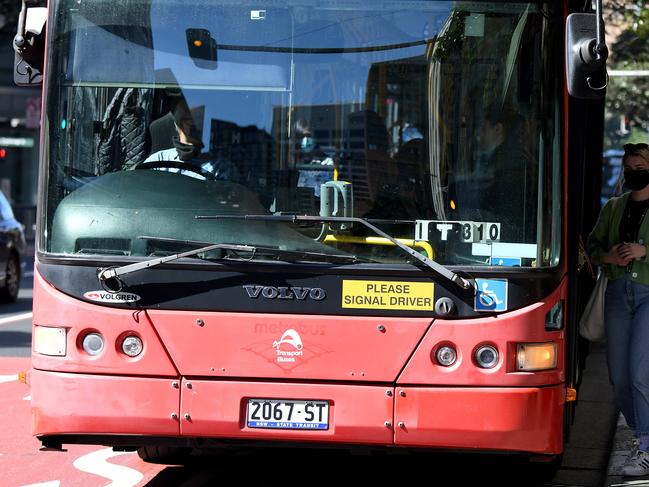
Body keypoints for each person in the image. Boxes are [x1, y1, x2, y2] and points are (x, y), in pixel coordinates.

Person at [587, 142, 649, 477]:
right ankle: (645, 434)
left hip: (648, 295)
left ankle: (647, 445)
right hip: (616, 294)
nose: (633, 173)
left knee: (640, 374)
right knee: (619, 377)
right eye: (629, 168)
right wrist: (609, 256)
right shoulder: (614, 207)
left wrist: (644, 251)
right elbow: (592, 247)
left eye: (640, 167)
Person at [143, 99, 241, 181]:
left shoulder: (220, 167)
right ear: (178, 124)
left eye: (201, 120)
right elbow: (141, 189)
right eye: (190, 120)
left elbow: (231, 199)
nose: (199, 125)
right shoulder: (158, 160)